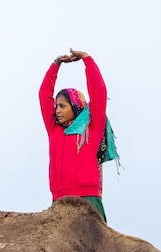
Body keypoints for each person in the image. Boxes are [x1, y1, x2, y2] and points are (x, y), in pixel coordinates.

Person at [39, 48, 119, 222]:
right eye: (56, 106)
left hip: (87, 201)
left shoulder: (92, 128)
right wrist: (55, 65)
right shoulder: (54, 130)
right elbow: (44, 96)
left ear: (75, 107)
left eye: (62, 106)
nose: (57, 110)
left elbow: (99, 92)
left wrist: (86, 59)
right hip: (59, 202)